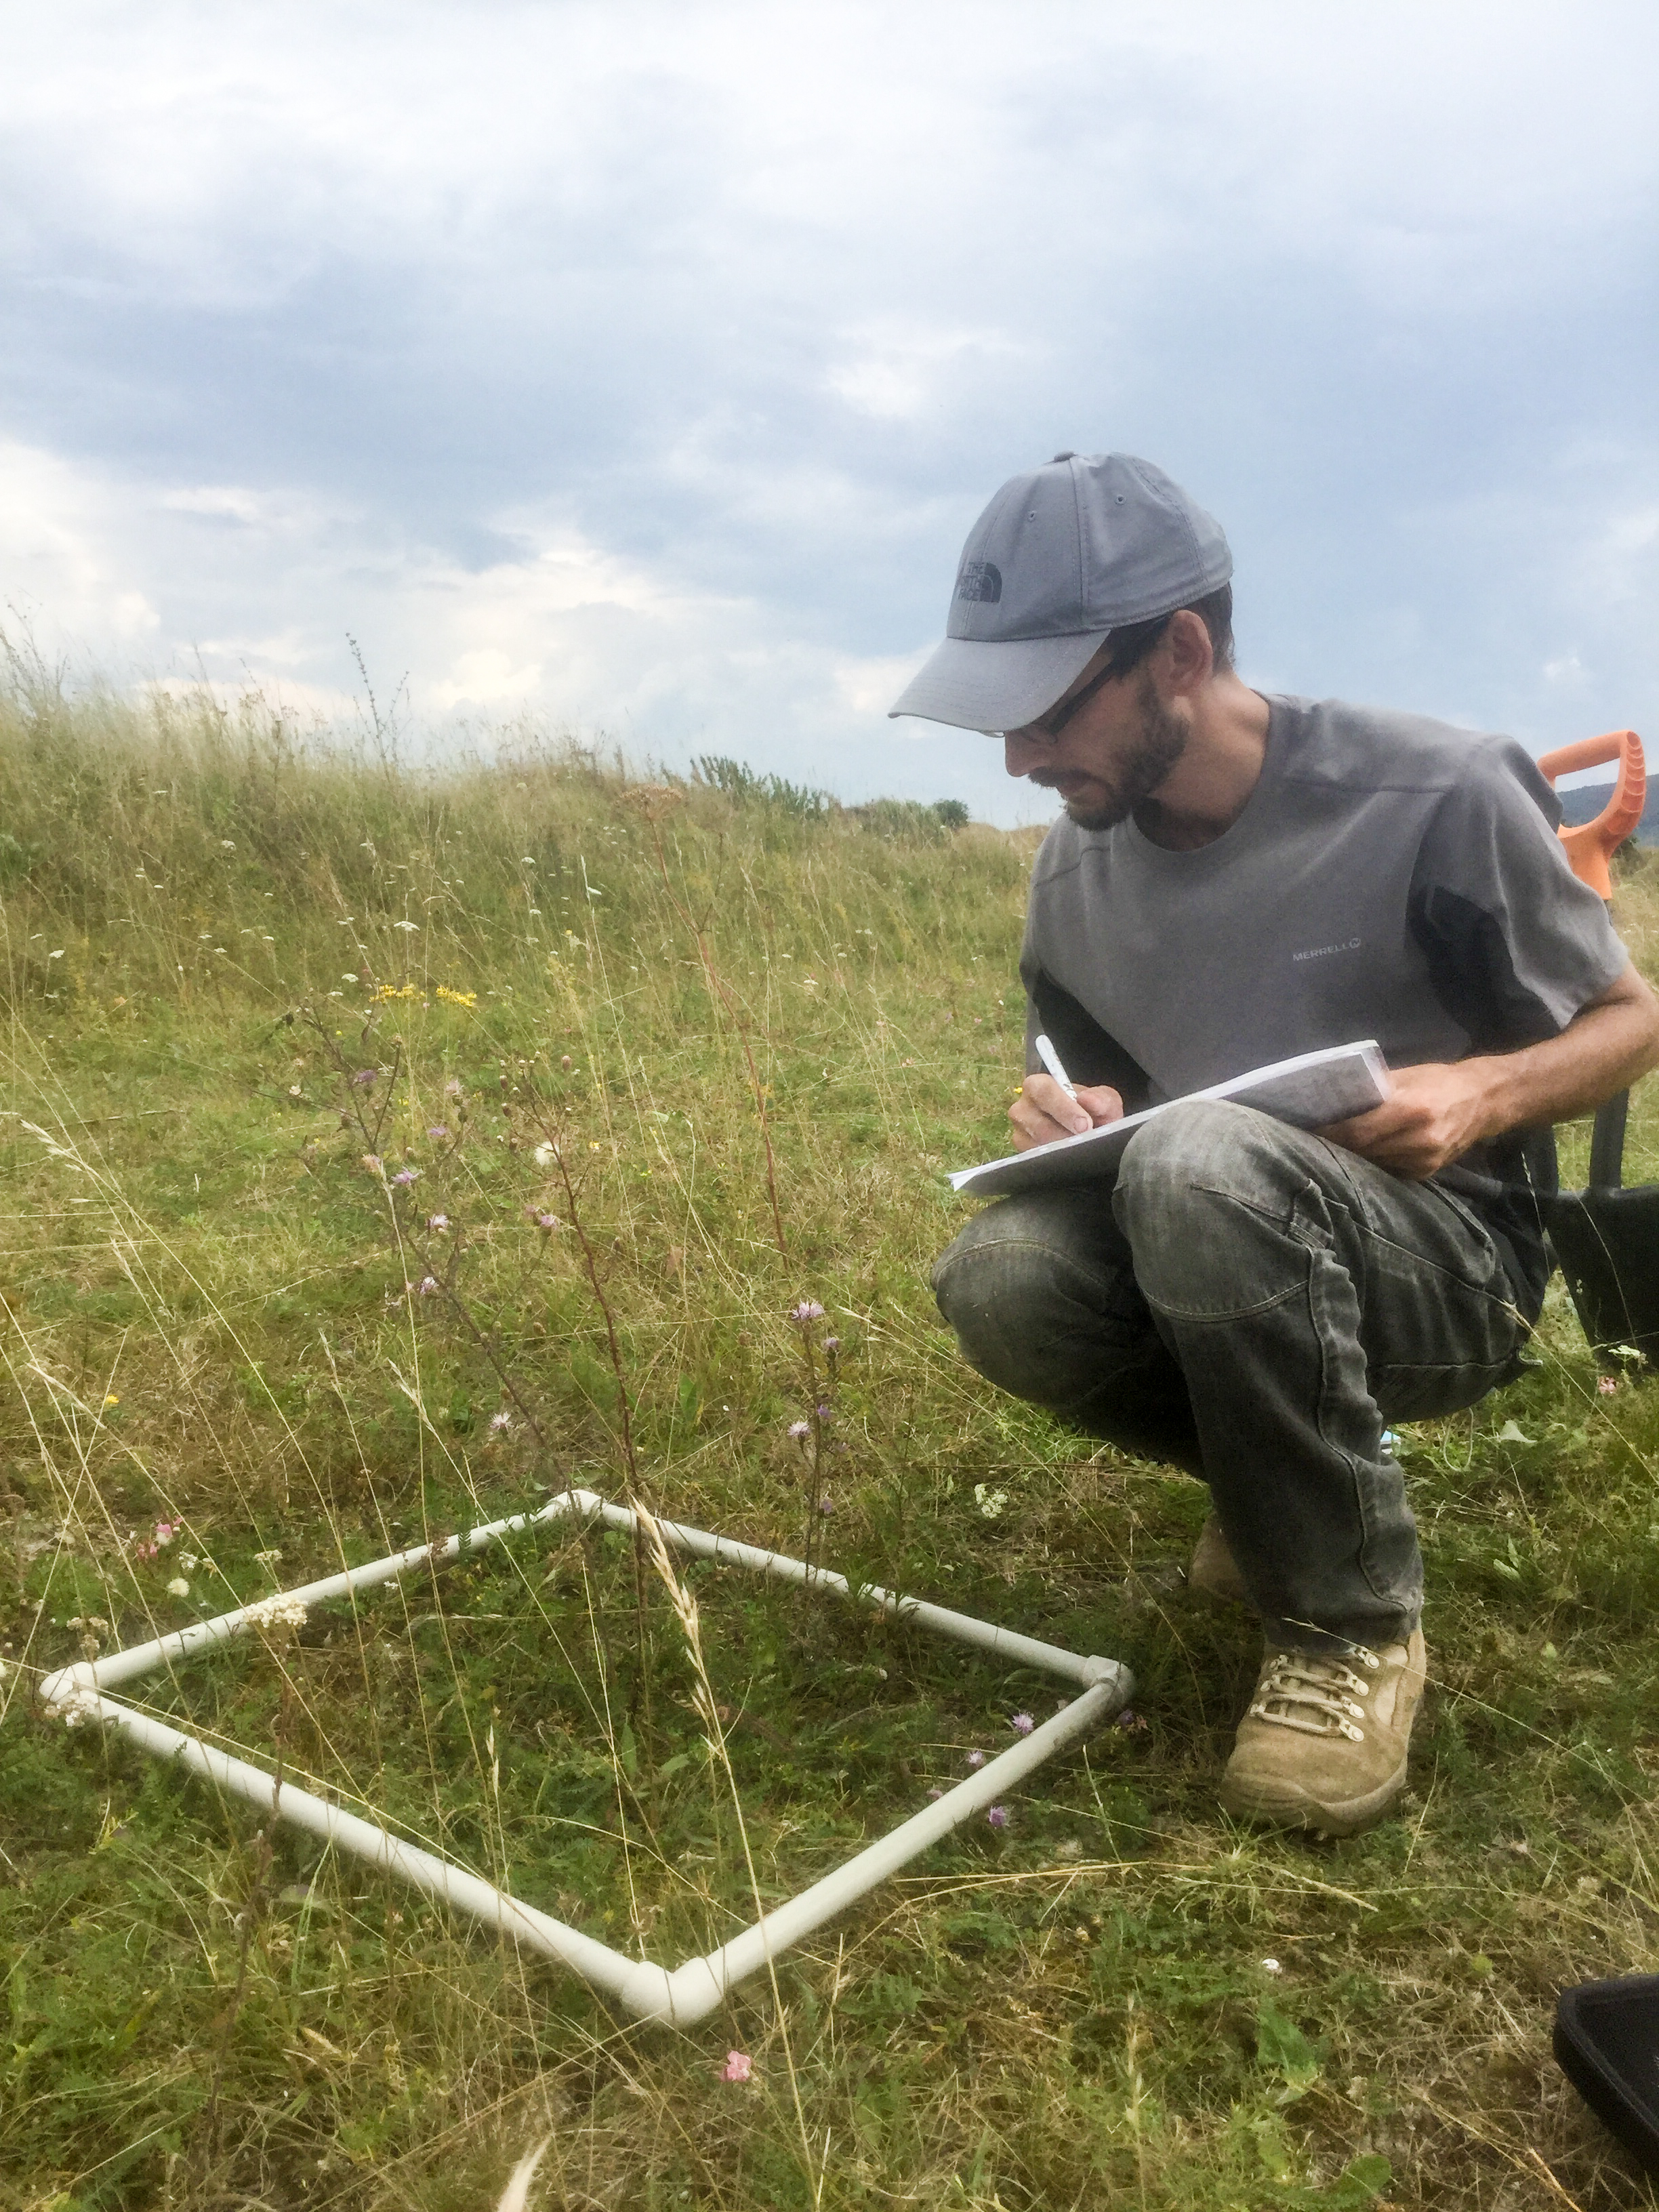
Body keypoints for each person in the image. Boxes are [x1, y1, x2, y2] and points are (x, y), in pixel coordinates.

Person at [889, 451, 1659, 1836]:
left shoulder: (1434, 790)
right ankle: (1284, 1493)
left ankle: (1351, 1629)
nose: (1017, 759)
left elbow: (1627, 1019)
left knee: (1203, 1170)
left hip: (1450, 1263)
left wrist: (1481, 1094)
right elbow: (1094, 1094)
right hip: (1215, 1231)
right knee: (1000, 1279)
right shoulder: (1075, 863)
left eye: (1049, 711)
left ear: (1178, 652)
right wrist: (1055, 1115)